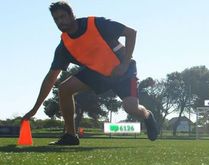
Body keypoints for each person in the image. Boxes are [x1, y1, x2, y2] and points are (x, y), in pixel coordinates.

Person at [22, 1, 158, 145]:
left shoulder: (96, 24)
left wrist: (124, 64)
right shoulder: (64, 46)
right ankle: (70, 135)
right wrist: (35, 109)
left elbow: (131, 33)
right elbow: (51, 78)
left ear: (72, 15)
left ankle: (148, 116)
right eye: (56, 19)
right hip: (98, 74)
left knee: (131, 108)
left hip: (123, 71)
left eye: (63, 17)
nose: (60, 21)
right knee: (64, 88)